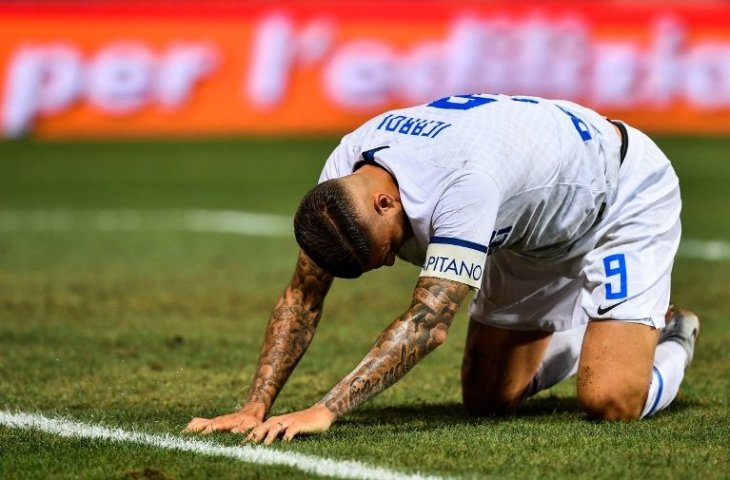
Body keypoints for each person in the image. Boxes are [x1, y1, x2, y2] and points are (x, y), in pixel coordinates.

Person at [185, 94, 699, 444]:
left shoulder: (462, 185)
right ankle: (602, 325)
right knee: (488, 398)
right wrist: (255, 406)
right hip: (523, 228)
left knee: (609, 399)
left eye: (382, 252)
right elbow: (302, 294)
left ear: (387, 203)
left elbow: (428, 323)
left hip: (617, 200)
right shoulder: (343, 176)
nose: (389, 262)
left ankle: (672, 333)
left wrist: (326, 409)